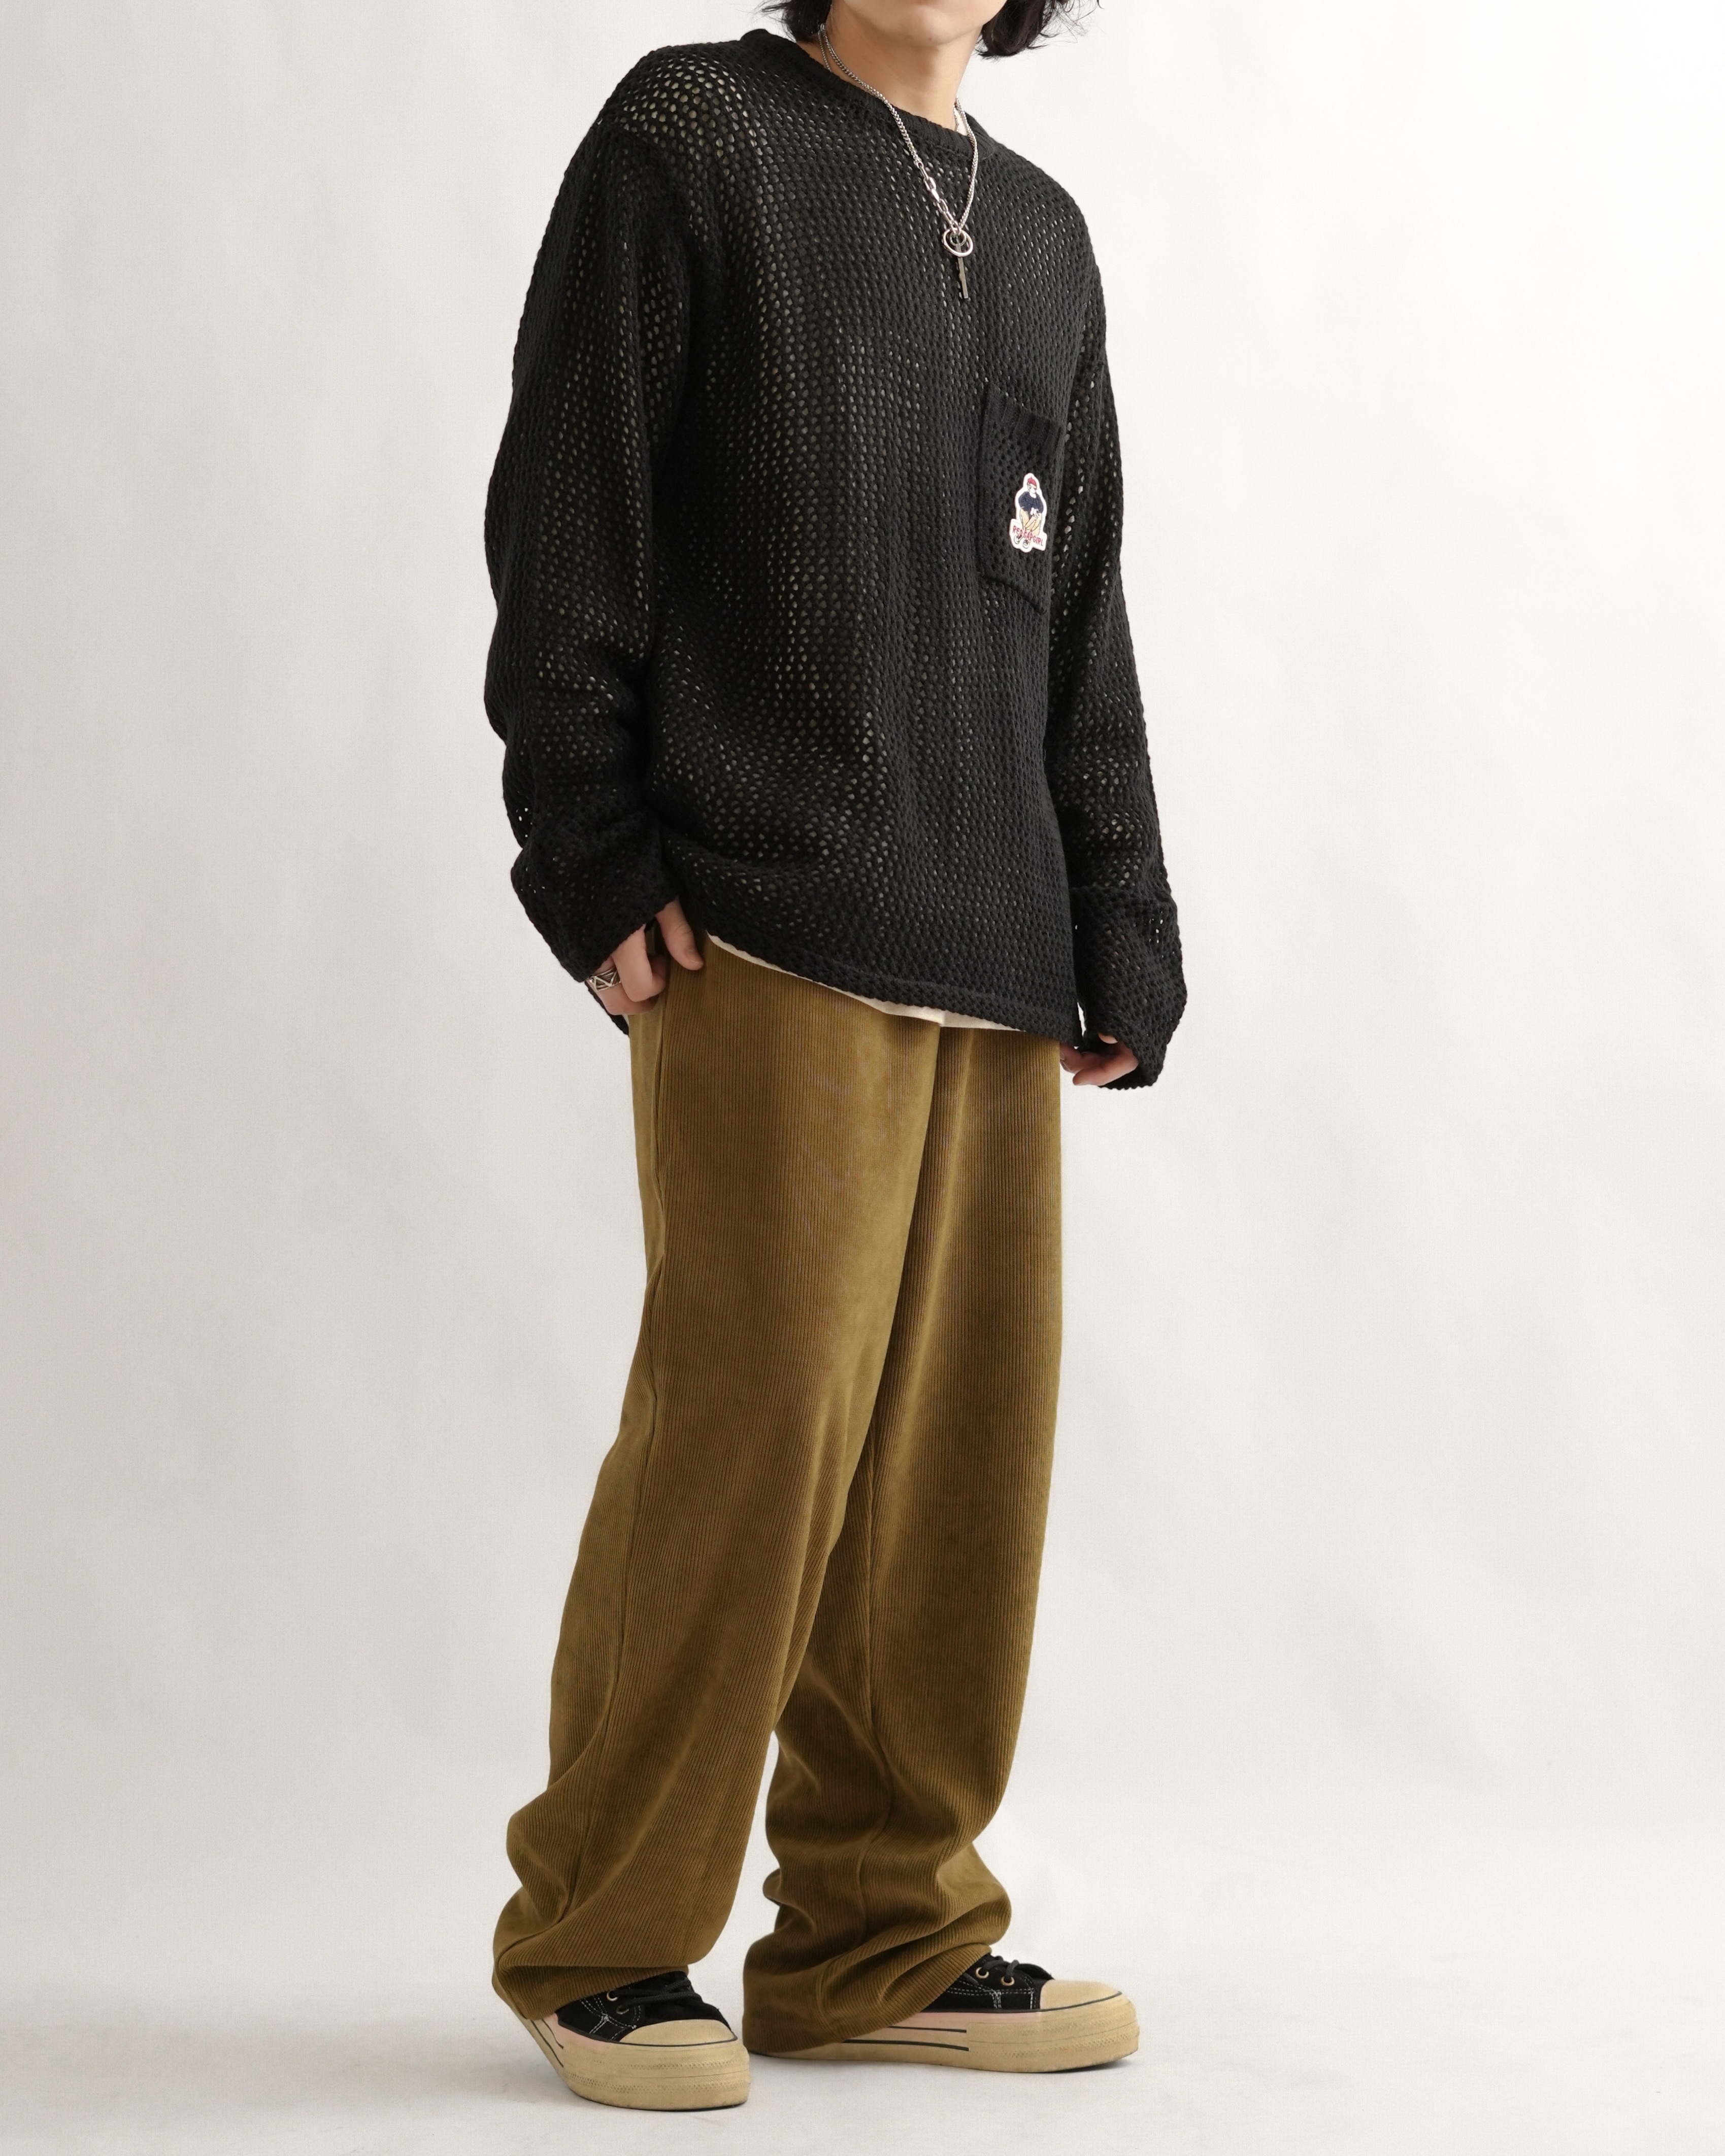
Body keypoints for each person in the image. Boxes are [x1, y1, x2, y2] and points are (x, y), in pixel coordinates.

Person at [480, 0, 1185, 2113]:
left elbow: (1079, 610)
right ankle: (602, 1930)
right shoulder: (693, 132)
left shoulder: (1041, 236)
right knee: (755, 1424)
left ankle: (880, 1936)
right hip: (760, 915)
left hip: (996, 940)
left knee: (960, 1460)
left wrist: (1117, 912)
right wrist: (588, 847)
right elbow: (571, 504)